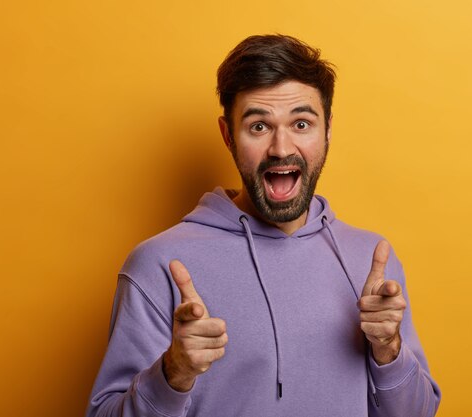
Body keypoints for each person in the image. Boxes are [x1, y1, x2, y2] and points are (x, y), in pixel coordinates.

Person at [86, 34, 441, 417]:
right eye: (259, 127)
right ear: (227, 135)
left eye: (301, 123)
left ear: (328, 131)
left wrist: (388, 349)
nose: (282, 148)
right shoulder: (159, 264)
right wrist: (173, 374)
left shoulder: (371, 261)